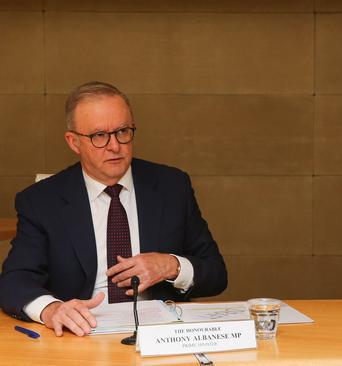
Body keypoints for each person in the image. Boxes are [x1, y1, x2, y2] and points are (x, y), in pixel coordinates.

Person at [0, 81, 227, 336]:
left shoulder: (172, 186)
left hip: (160, 335)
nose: (114, 146)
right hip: (81, 337)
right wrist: (52, 309)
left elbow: (216, 274)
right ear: (74, 142)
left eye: (122, 131)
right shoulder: (42, 200)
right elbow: (15, 281)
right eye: (99, 136)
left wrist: (170, 265)